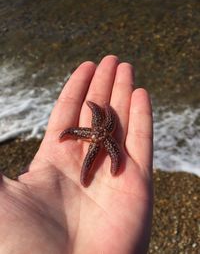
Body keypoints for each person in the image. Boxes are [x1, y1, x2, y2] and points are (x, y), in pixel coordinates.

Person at [0, 55, 153, 254]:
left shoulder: (101, 134)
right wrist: (94, 114)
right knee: (86, 152)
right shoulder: (102, 133)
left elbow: (106, 127)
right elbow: (97, 123)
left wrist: (103, 109)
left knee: (91, 156)